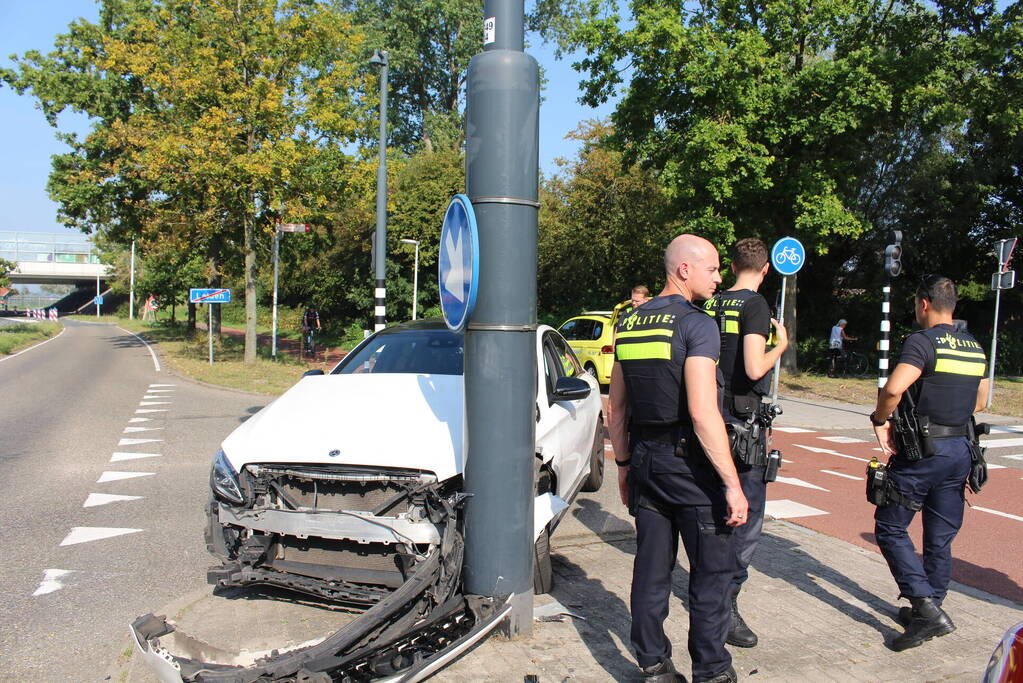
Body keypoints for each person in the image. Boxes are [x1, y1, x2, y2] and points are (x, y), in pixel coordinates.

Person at [608, 234, 748, 683]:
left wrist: (625, 466)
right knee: (711, 575)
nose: (719, 276)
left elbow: (617, 409)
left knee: (651, 570)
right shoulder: (697, 324)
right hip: (692, 468)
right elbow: (703, 412)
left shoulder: (629, 324)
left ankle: (652, 664)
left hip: (647, 463)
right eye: (712, 269)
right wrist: (731, 482)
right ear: (684, 270)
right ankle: (712, 670)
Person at [868, 275, 989, 651]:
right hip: (960, 452)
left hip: (923, 453)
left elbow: (893, 388)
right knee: (940, 535)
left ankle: (925, 610)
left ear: (924, 303)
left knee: (889, 526)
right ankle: (932, 602)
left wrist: (881, 419)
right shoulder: (973, 347)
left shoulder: (921, 342)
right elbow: (981, 401)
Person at [703, 238, 788, 649]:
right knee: (746, 515)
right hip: (741, 423)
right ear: (766, 268)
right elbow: (755, 367)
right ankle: (726, 605)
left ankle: (710, 591)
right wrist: (781, 347)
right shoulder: (755, 305)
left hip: (708, 415)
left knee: (712, 506)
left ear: (733, 266)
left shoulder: (713, 302)